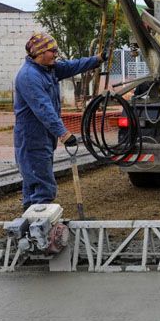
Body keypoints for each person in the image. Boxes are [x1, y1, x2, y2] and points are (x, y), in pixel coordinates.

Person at [14, 32, 105, 209]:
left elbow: (73, 66)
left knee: (33, 184)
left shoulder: (49, 69)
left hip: (43, 137)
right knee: (43, 187)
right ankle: (40, 222)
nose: (56, 54)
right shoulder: (29, 76)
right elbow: (44, 109)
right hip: (32, 139)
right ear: (40, 53)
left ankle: (31, 221)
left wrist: (97, 59)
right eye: (52, 51)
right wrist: (63, 133)